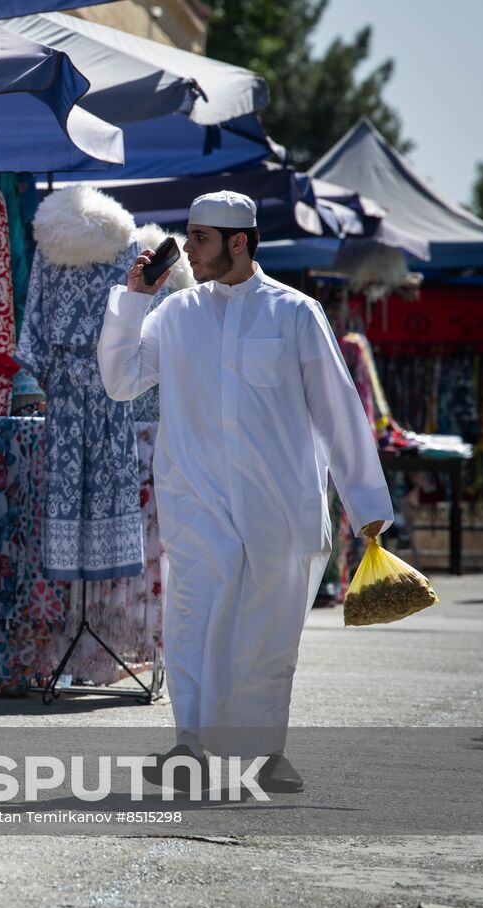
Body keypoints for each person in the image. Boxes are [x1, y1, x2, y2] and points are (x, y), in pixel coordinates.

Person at [96, 191, 393, 793]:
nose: (189, 249)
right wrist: (133, 302)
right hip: (195, 497)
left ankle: (262, 754)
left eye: (200, 238)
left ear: (238, 242)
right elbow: (121, 380)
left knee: (267, 626)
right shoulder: (175, 313)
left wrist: (367, 506)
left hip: (280, 504)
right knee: (193, 611)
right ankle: (190, 744)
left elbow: (339, 411)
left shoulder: (296, 313)